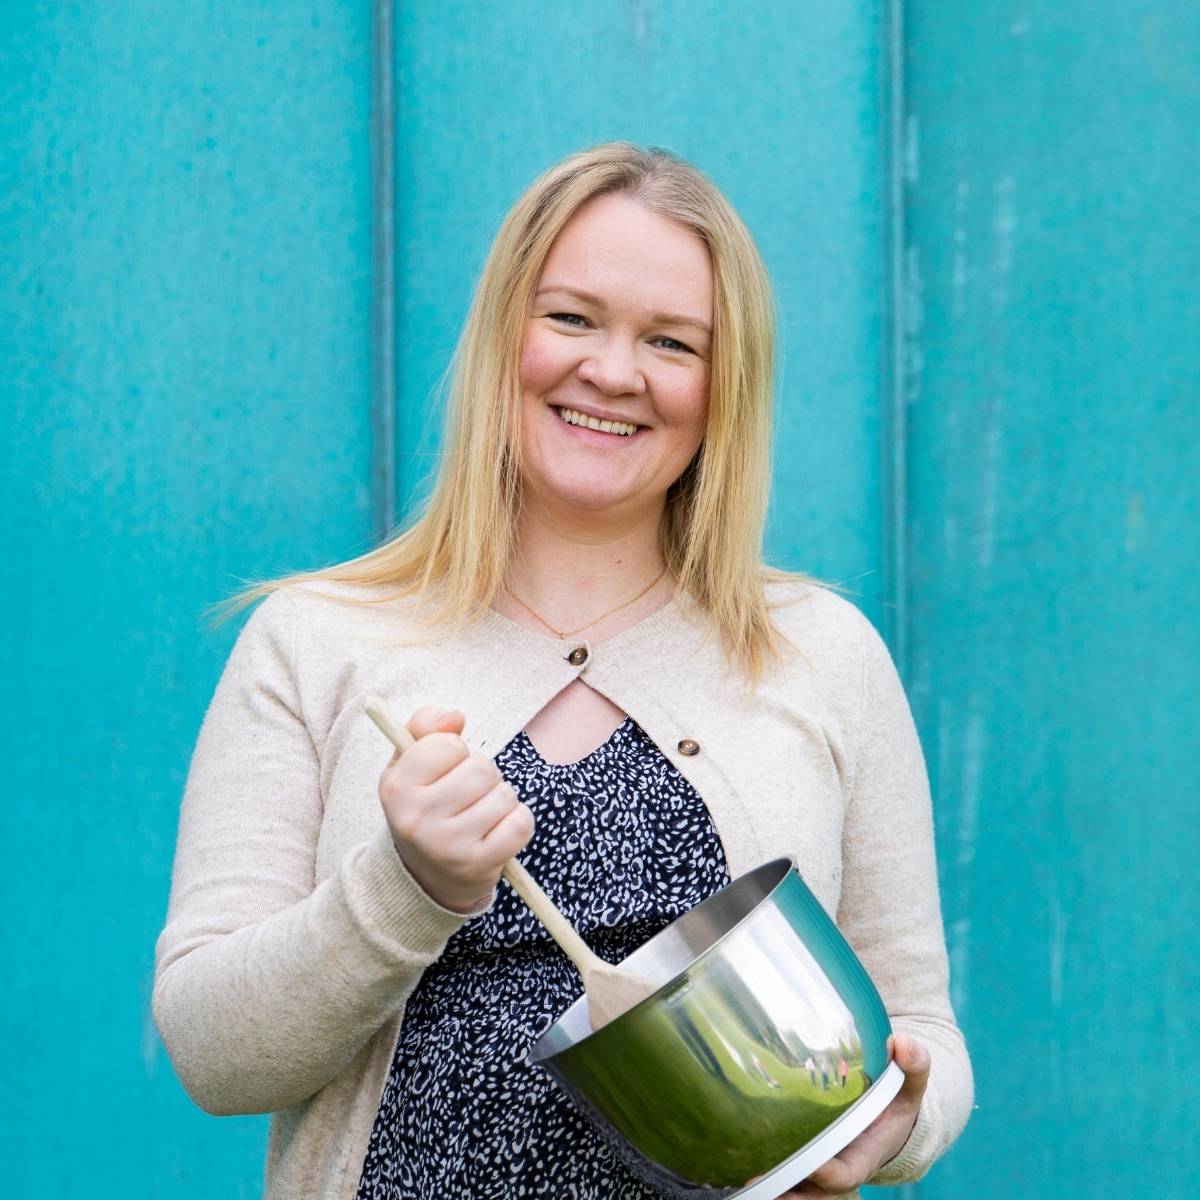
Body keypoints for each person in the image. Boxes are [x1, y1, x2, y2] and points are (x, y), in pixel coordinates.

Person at [153, 141, 973, 1200]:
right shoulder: (317, 642)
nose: (614, 372)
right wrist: (406, 888)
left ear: (723, 386)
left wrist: (898, 1121)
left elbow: (918, 1027)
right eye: (573, 318)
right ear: (507, 334)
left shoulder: (823, 653)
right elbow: (212, 1055)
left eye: (671, 342)